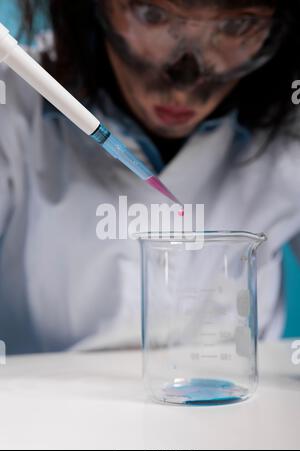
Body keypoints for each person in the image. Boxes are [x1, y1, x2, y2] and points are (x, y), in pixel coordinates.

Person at [0, 0, 299, 354]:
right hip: (40, 408)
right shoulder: (13, 103)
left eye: (236, 26)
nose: (184, 82)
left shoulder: (290, 123)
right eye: (153, 16)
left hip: (234, 406)